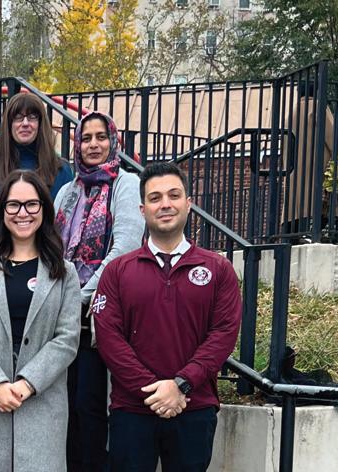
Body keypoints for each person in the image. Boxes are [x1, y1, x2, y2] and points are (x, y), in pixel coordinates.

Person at [92, 162, 240, 471]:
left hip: (193, 408)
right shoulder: (117, 271)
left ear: (188, 203)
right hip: (132, 411)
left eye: (174, 195)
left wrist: (181, 385)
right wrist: (154, 390)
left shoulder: (218, 269)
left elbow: (223, 334)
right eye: (155, 198)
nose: (165, 204)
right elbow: (109, 339)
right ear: (142, 209)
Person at [0, 170, 81, 472]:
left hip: (41, 406)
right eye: (14, 205)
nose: (23, 213)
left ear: (44, 209)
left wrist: (27, 383)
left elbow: (66, 339)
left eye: (32, 204)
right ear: (2, 211)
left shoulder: (65, 273)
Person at [52, 111, 145, 471]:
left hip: (101, 311)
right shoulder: (67, 191)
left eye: (101, 137)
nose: (93, 145)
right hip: (63, 314)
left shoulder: (126, 184)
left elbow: (125, 246)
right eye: (86, 138)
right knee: (67, 405)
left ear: (113, 141)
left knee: (90, 405)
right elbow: (51, 249)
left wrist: (82, 295)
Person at [0, 93, 74, 200]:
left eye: (32, 117)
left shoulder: (62, 170)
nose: (25, 123)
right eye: (18, 117)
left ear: (40, 123)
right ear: (9, 124)